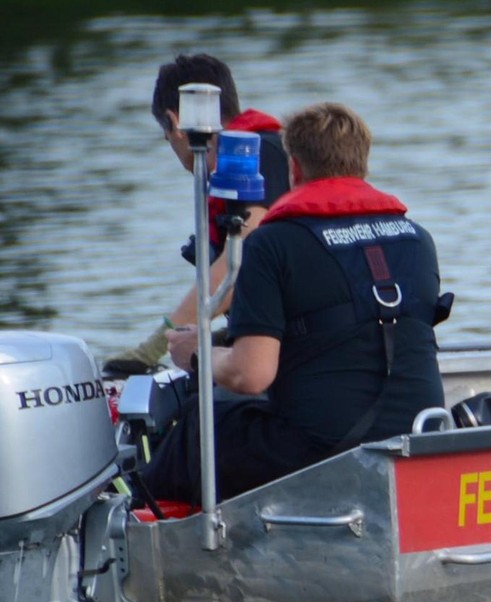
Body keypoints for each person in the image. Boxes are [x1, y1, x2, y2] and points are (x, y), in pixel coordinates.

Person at [140, 102, 450, 504]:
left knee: (198, 430)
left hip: (325, 450)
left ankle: (141, 535)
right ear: (363, 164)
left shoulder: (272, 244)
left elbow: (252, 376)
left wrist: (197, 352)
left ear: (295, 169)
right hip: (420, 435)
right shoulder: (417, 237)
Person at [103, 53, 290, 375]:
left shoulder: (261, 153)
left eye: (166, 138)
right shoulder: (267, 152)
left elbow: (243, 258)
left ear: (175, 124)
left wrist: (155, 347)